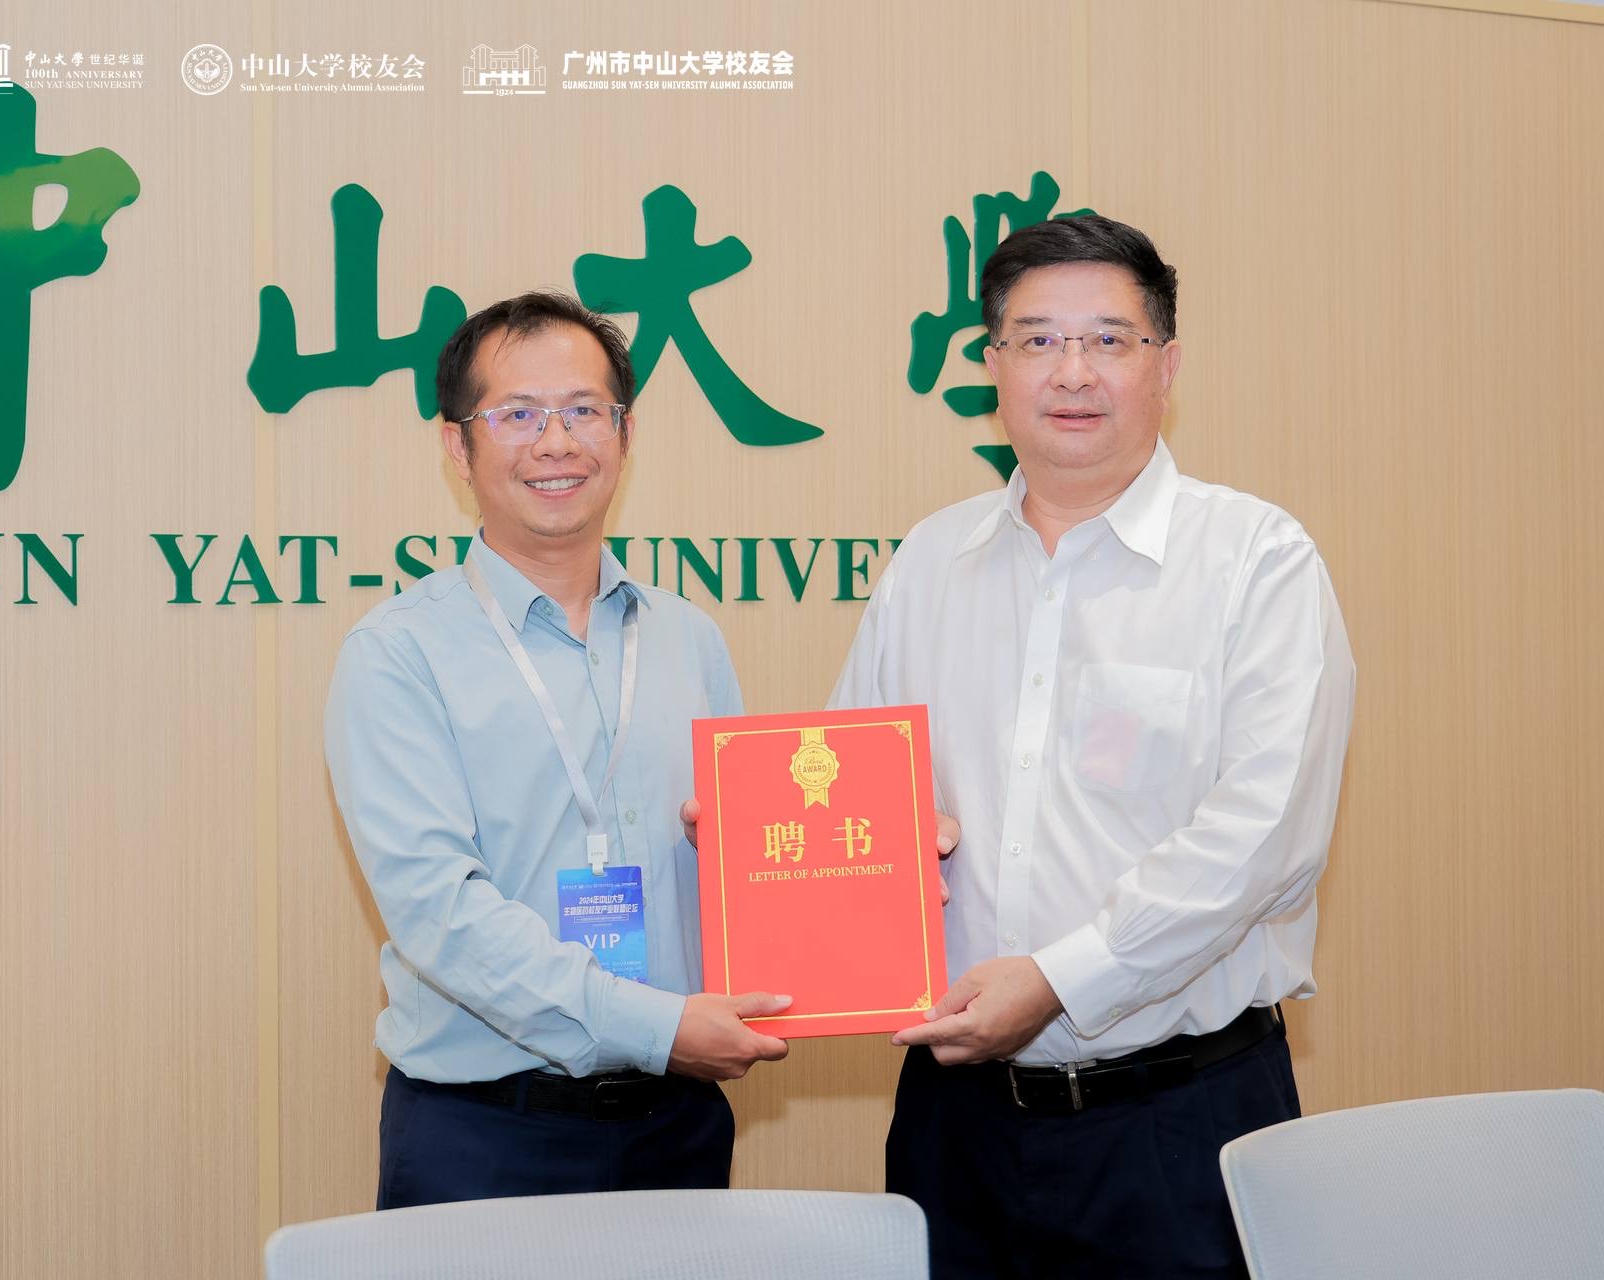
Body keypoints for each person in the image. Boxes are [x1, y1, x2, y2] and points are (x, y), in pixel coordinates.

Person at [833, 215, 1355, 1277]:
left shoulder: (1256, 560)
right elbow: (856, 783)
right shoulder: (930, 561)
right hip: (956, 1124)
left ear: (1167, 363)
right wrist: (777, 850)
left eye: (1109, 340)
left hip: (1179, 1121)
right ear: (992, 364)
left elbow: (1264, 841)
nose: (1072, 371)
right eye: (1036, 340)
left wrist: (1061, 979)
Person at [325, 291, 790, 1210]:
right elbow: (439, 914)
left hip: (677, 1122)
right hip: (487, 1134)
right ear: (457, 445)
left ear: (625, 432)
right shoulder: (398, 653)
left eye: (584, 410)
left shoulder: (687, 637)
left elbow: (745, 857)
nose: (556, 442)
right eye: (518, 415)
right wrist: (655, 1026)